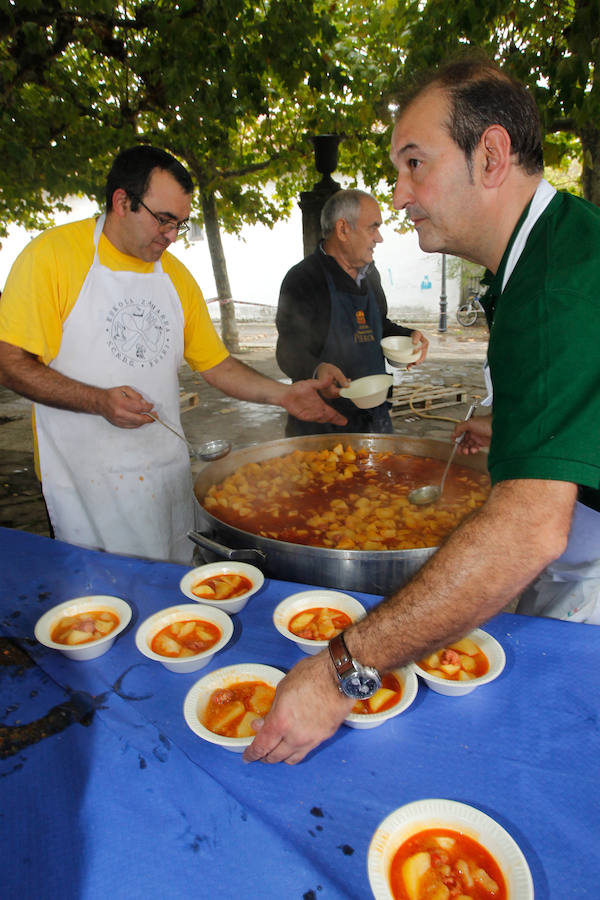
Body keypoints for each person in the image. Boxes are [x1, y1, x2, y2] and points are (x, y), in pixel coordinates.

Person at [243, 57, 600, 766]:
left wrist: (342, 669)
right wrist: (517, 428)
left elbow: (528, 533)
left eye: (414, 164)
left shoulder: (557, 283)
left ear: (491, 156)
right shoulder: (544, 258)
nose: (399, 197)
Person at [0, 146, 346, 564]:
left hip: (165, 474)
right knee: (99, 602)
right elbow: (11, 363)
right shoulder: (51, 257)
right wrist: (98, 401)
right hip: (85, 483)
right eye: (163, 220)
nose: (170, 235)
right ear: (122, 201)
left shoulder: (176, 277)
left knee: (174, 590)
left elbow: (216, 365)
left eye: (179, 224)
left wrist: (283, 395)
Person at [275, 189, 428, 435]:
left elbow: (377, 324)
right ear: (343, 229)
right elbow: (287, 350)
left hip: (375, 418)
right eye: (373, 228)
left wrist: (407, 337)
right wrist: (316, 370)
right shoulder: (304, 278)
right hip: (322, 422)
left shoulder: (370, 274)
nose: (379, 238)